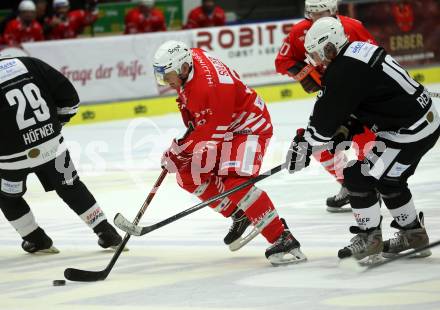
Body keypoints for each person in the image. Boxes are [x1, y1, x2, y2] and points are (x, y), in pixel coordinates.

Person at [286, 17, 438, 263]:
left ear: (329, 45)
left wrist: (304, 146)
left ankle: (370, 239)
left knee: (358, 177)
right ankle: (413, 235)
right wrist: (346, 129)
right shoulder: (358, 51)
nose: (318, 60)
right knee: (389, 181)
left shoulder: (343, 70)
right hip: (421, 124)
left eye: (318, 53)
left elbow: (323, 121)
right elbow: (366, 100)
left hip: (408, 132)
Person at [153, 40, 306, 266]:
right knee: (188, 175)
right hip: (225, 124)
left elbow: (211, 134)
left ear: (184, 68)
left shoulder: (207, 88)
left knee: (235, 182)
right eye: (162, 76)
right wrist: (182, 149)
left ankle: (282, 237)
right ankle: (240, 213)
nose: (167, 81)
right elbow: (204, 124)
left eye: (170, 75)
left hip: (249, 126)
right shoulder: (191, 58)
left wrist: (179, 152)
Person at [0, 55, 123, 254]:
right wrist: (54, 126)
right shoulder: (28, 63)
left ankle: (36, 240)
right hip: (51, 146)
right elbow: (69, 97)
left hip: (11, 159)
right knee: (71, 186)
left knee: (7, 197)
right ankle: (107, 233)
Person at [275, 0, 377, 213]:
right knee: (319, 144)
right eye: (313, 14)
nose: (317, 19)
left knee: (366, 142)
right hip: (332, 96)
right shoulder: (299, 32)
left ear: (333, 11)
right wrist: (303, 74)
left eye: (322, 13)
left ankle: (369, 187)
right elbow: (282, 61)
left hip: (360, 97)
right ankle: (350, 187)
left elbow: (375, 58)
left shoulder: (352, 27)